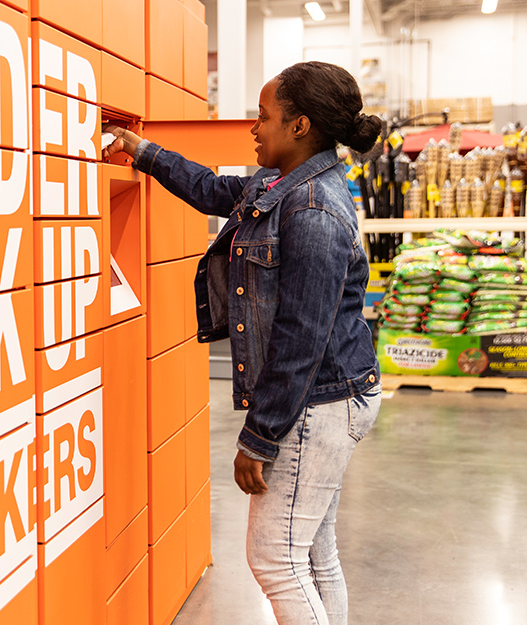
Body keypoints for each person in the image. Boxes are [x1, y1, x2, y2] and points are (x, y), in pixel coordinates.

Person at [102, 61, 383, 625]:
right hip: (327, 395)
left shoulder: (314, 210)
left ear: (299, 125)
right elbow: (211, 188)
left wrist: (259, 438)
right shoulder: (279, 185)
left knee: (276, 560)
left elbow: (302, 339)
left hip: (318, 403)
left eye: (263, 116)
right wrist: (139, 149)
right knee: (312, 552)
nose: (253, 128)